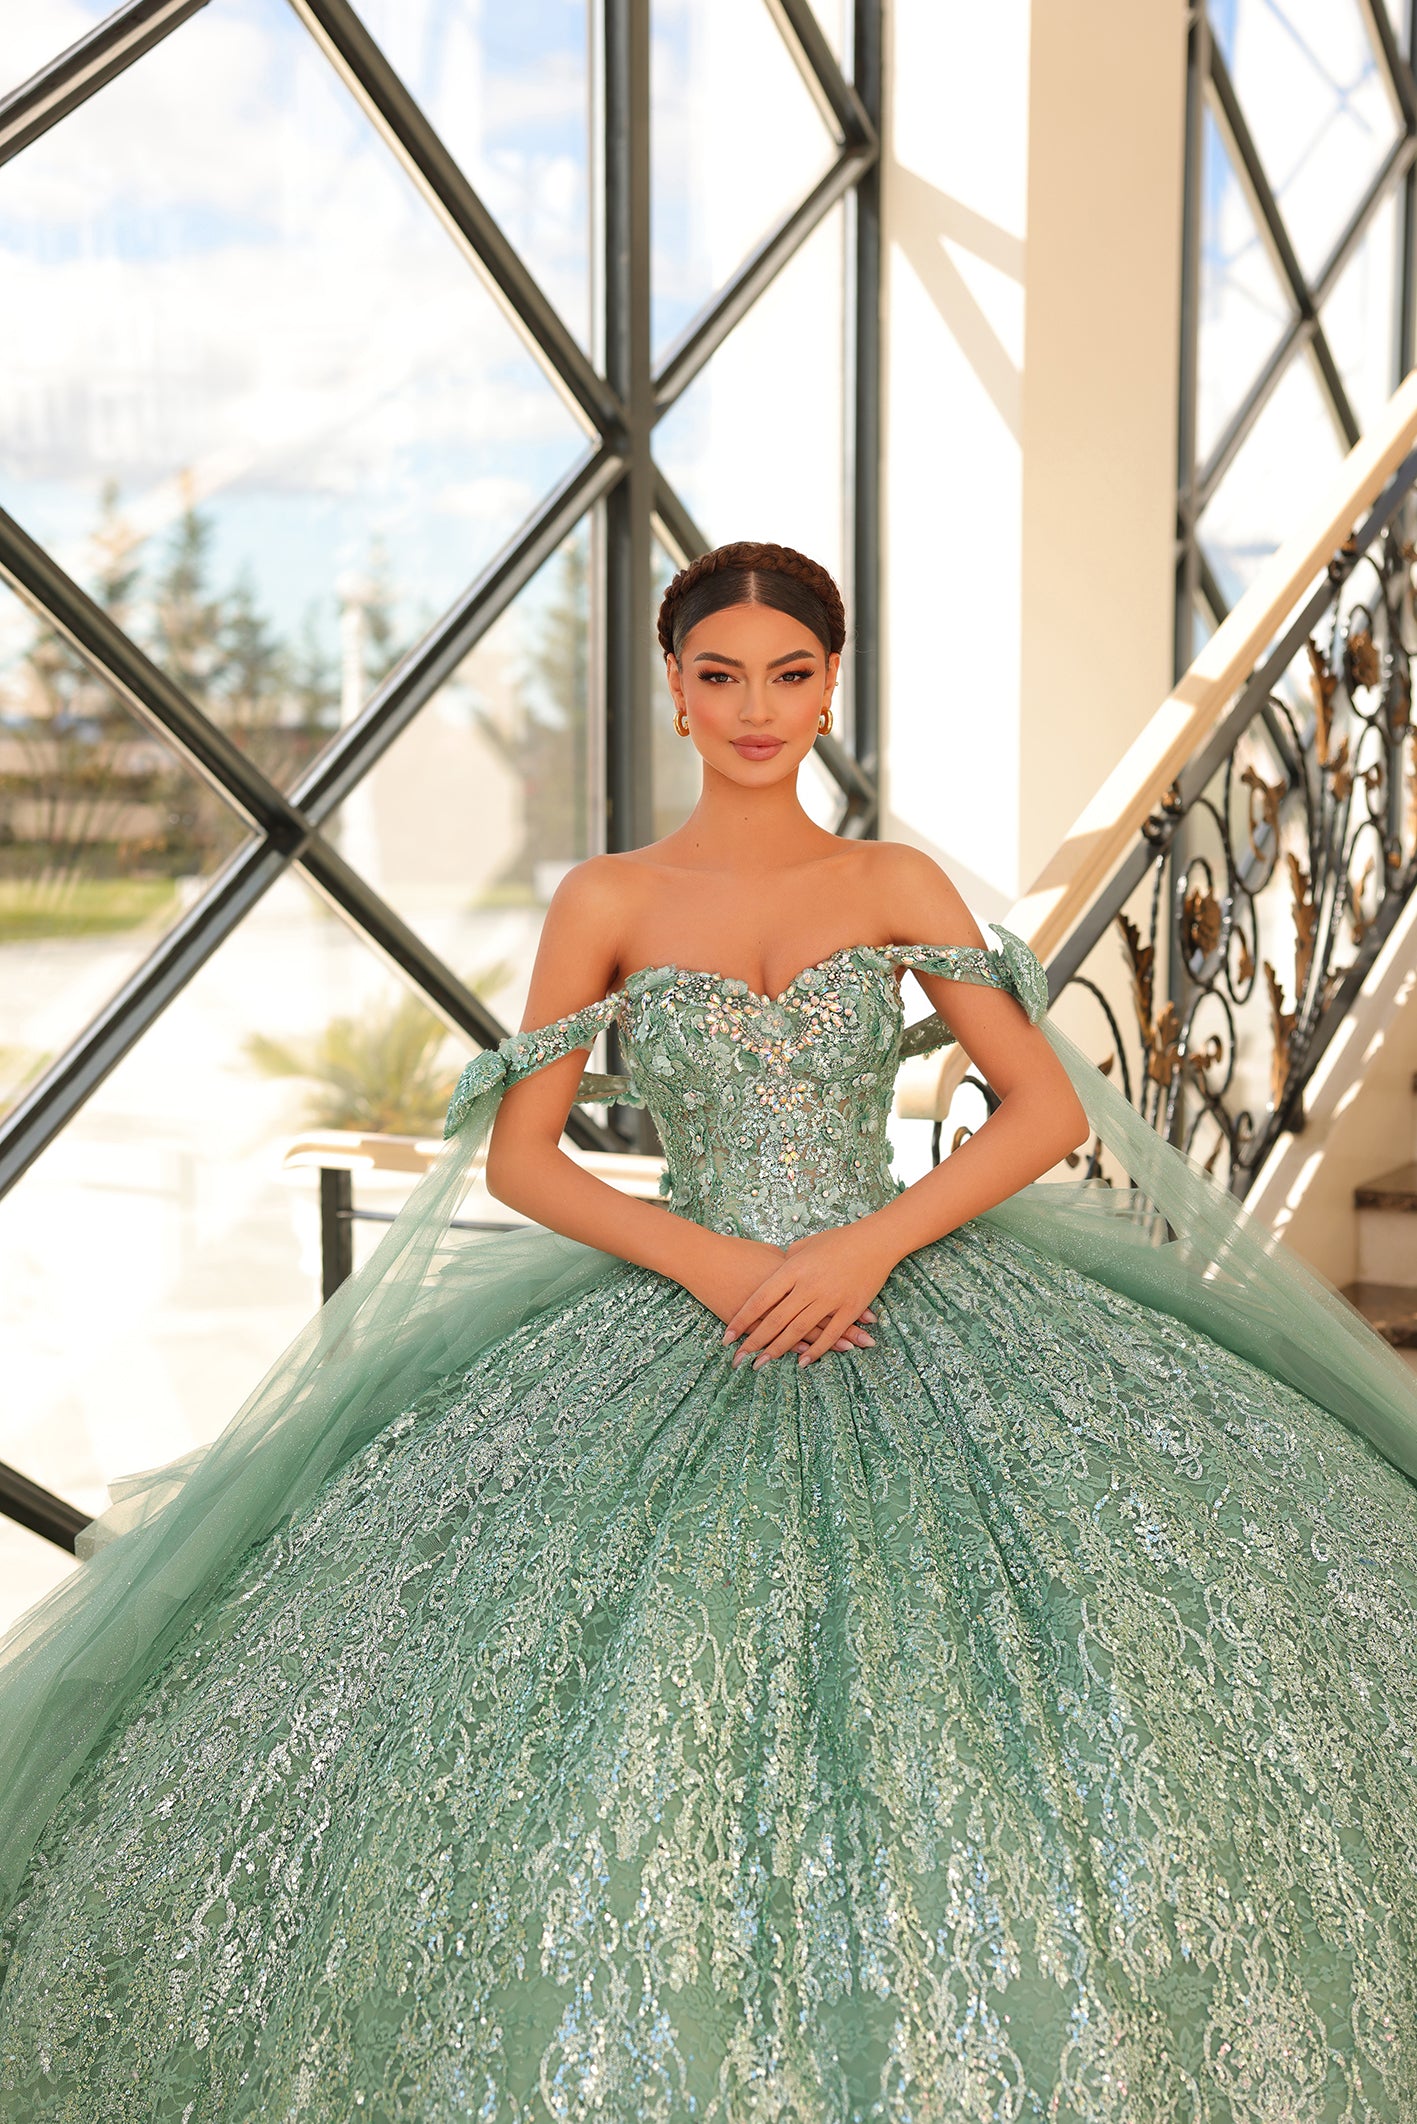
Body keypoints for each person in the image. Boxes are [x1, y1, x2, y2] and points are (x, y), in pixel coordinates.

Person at [0, 540, 1415, 2121]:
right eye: (722, 675)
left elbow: (1038, 1111)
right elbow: (526, 1156)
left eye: (790, 674)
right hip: (687, 1299)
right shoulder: (606, 896)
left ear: (828, 687)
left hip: (898, 1284)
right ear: (673, 692)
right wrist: (716, 1266)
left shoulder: (889, 881)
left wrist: (866, 1247)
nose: (757, 708)